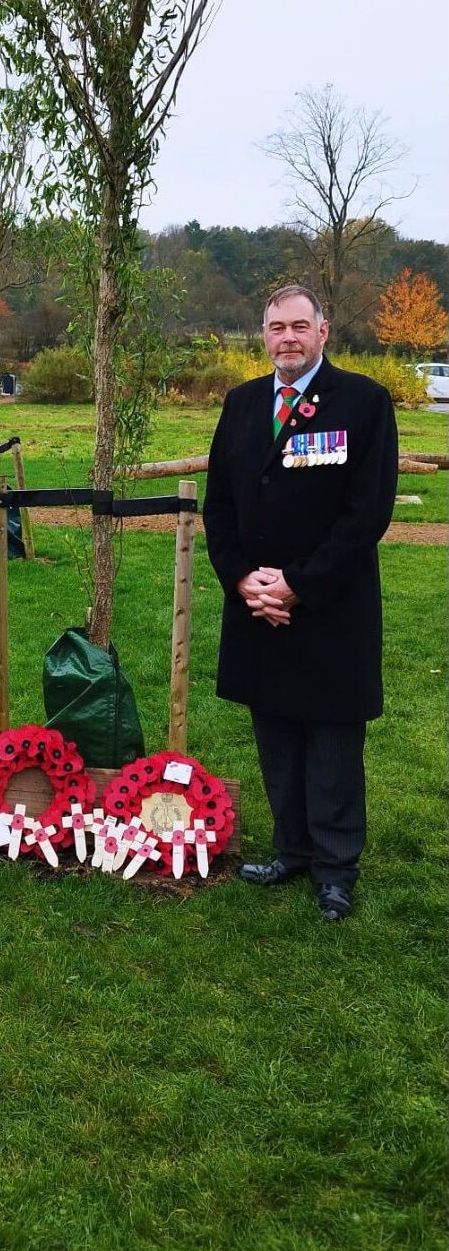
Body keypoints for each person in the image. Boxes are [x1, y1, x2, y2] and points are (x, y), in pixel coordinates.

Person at [203, 284, 398, 921]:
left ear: (323, 331)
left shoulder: (364, 402)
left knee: (333, 742)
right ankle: (292, 851)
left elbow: (366, 513)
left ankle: (336, 870)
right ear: (264, 334)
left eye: (298, 326)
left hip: (329, 606)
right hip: (259, 608)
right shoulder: (242, 403)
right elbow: (219, 504)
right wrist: (243, 581)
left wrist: (296, 584)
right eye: (275, 327)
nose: (287, 337)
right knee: (277, 735)